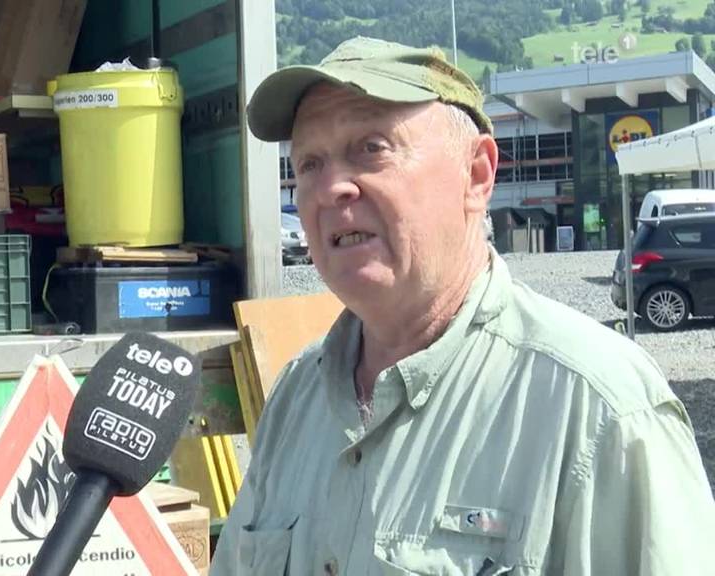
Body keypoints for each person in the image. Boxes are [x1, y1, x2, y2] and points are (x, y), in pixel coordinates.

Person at [211, 37, 715, 575]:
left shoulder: (600, 409)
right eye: (309, 163)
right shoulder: (295, 396)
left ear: (476, 176)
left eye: (372, 148)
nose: (331, 187)